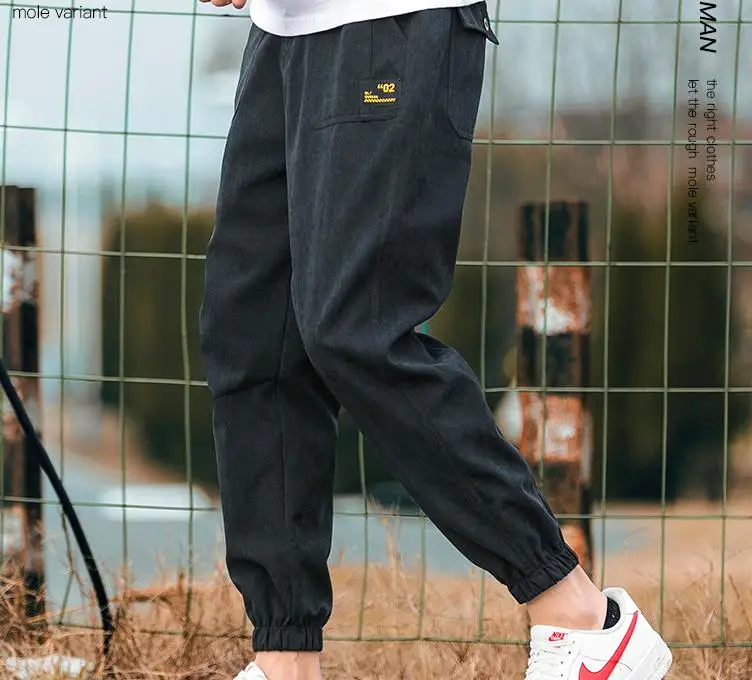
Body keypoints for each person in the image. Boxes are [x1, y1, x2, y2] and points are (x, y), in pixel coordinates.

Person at [197, 1, 673, 679]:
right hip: (282, 33)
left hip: (386, 22)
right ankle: (284, 658)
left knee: (357, 330)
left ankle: (578, 614)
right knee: (253, 342)